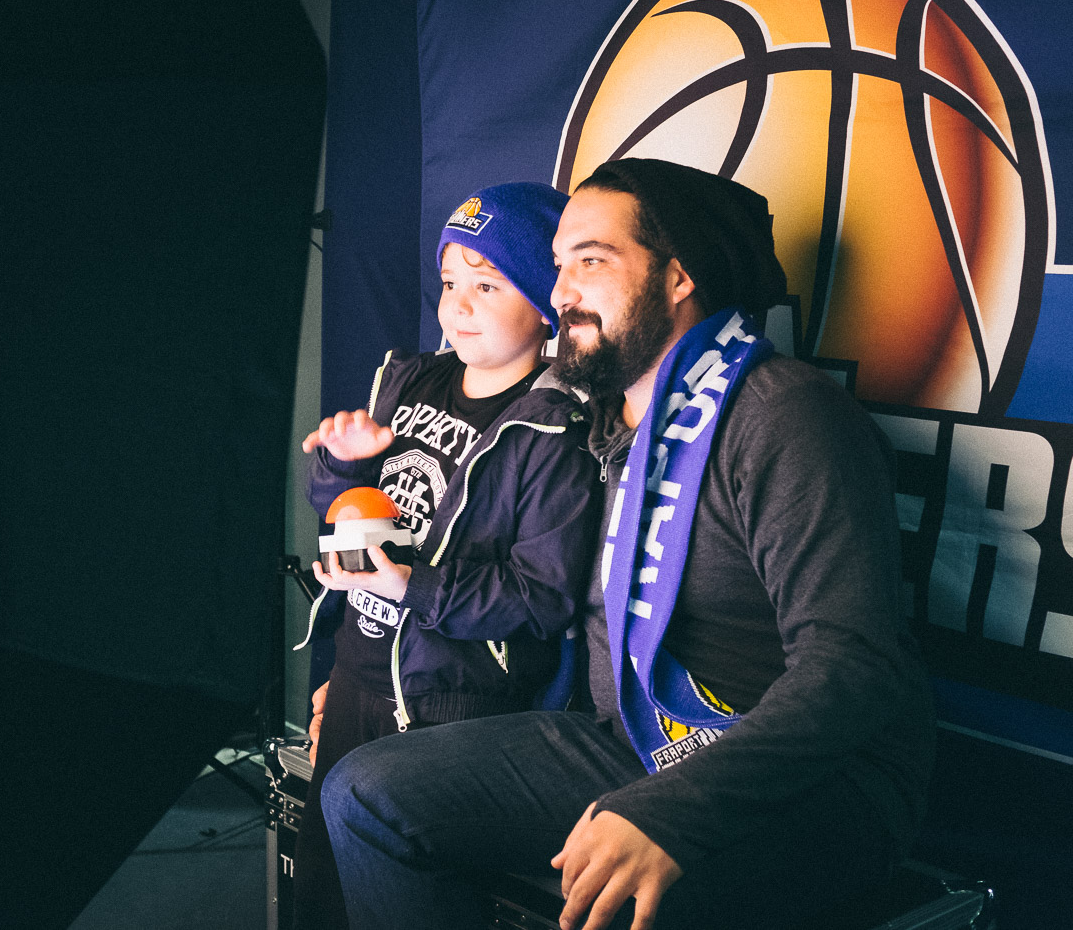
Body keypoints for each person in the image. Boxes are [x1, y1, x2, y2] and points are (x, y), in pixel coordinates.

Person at [318, 158, 934, 930]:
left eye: (591, 262)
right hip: (628, 745)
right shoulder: (594, 422)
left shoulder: (787, 416)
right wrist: (374, 685)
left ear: (679, 276)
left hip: (811, 782)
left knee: (624, 905)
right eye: (557, 266)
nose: (560, 291)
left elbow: (854, 668)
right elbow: (516, 585)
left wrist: (676, 808)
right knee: (366, 792)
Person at [292, 182, 602, 930]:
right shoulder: (411, 379)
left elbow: (542, 597)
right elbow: (345, 512)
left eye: (487, 286)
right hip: (359, 670)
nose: (458, 305)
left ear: (544, 305)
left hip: (451, 703)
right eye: (450, 282)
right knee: (325, 898)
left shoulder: (554, 430)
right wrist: (339, 465)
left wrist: (415, 587)